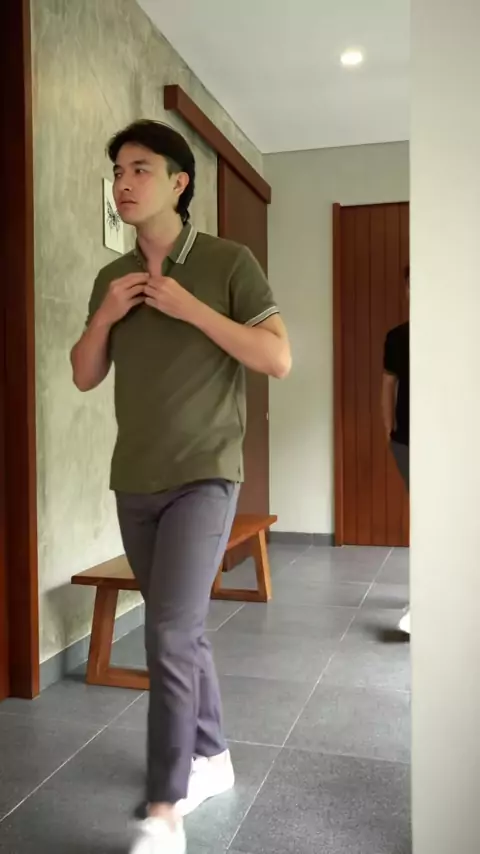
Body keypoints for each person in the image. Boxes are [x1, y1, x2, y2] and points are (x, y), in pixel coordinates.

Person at [71, 120, 291, 854]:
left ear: (178, 182)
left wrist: (190, 307)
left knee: (167, 631)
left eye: (140, 169)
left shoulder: (228, 261)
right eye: (117, 172)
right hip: (135, 477)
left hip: (206, 473)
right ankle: (213, 755)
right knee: (181, 628)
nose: (123, 184)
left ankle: (166, 808)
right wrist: (108, 314)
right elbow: (84, 373)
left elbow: (277, 358)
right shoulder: (112, 279)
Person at [382, 264, 410, 636]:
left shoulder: (455, 331)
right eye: (410, 285)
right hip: (406, 439)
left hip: (450, 442)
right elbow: (388, 385)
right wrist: (388, 428)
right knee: (420, 517)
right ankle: (420, 596)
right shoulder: (397, 337)